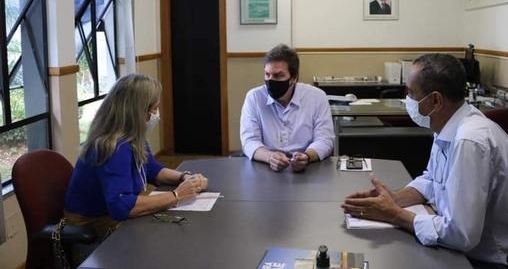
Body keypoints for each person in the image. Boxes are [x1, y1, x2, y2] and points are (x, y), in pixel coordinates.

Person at [342, 54, 508, 267]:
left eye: (411, 93)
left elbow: (461, 236)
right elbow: (433, 180)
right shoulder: (448, 124)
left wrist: (395, 215)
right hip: (465, 252)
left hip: (489, 260)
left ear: (435, 100)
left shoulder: (469, 141)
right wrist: (394, 199)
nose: (407, 99)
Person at [64, 74, 209, 241]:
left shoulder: (132, 137)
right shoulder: (112, 146)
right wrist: (176, 196)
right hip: (95, 231)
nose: (157, 115)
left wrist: (185, 178)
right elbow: (121, 205)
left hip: (115, 222)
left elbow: (151, 169)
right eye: (153, 109)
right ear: (136, 111)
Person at [240, 44, 335, 172]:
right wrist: (270, 157)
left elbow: (325, 139)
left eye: (278, 76)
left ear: (294, 78)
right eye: (267, 74)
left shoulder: (317, 97)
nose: (271, 80)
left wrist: (307, 156)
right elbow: (249, 141)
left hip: (308, 170)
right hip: (266, 169)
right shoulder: (254, 97)